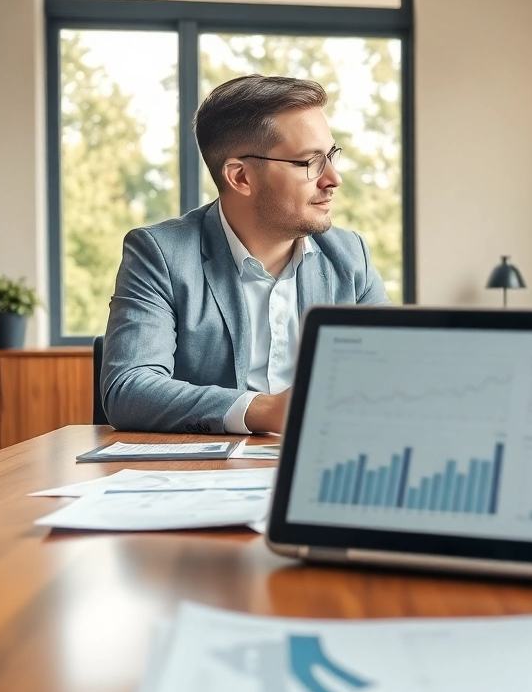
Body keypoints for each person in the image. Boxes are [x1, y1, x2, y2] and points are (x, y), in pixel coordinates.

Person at [101, 75, 389, 435]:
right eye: (310, 163)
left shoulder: (350, 256)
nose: (333, 178)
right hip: (204, 477)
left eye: (331, 156)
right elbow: (128, 389)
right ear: (240, 177)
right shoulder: (160, 254)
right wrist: (265, 411)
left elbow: (389, 373)